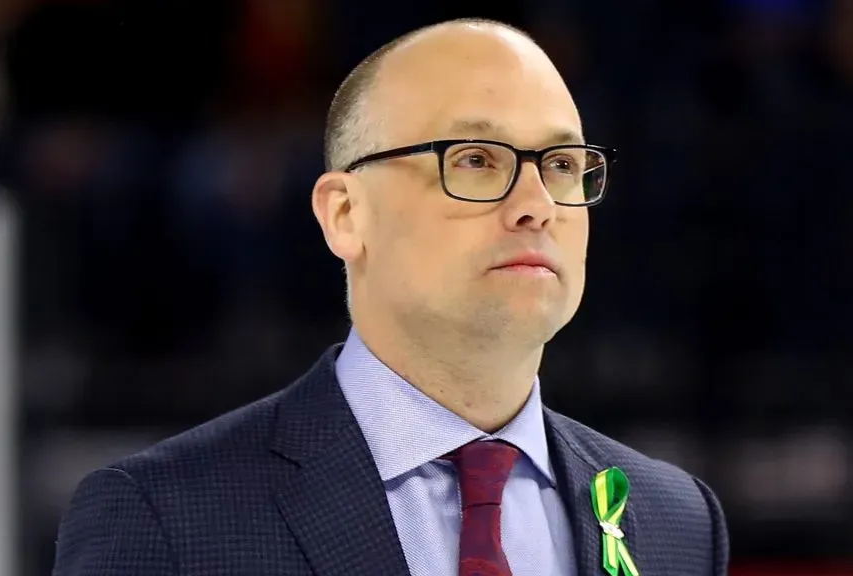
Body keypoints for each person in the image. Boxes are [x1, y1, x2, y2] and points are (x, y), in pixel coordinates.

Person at [53, 18, 729, 576]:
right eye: (474, 159)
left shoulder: (676, 524)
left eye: (560, 165)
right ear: (346, 213)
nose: (535, 206)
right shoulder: (166, 518)